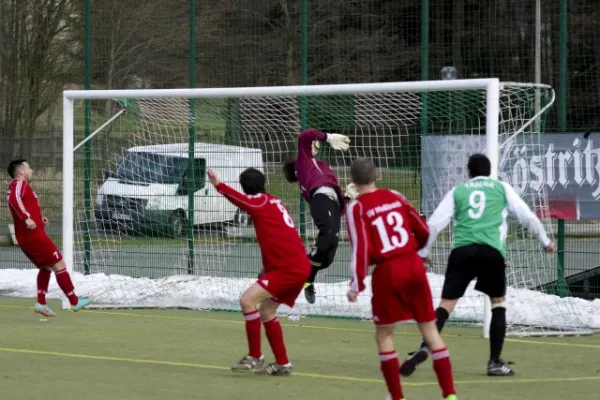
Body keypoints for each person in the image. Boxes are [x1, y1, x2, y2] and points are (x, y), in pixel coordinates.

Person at [400, 153, 555, 378]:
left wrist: (423, 252)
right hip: (491, 253)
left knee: (446, 304)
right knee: (498, 303)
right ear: (489, 172)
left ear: (468, 172)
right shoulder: (501, 188)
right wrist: (545, 241)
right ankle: (494, 362)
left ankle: (426, 345)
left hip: (462, 251)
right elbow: (527, 217)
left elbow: (434, 224)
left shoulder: (459, 191)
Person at [346, 158, 458, 400]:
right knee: (430, 330)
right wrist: (416, 251)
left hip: (388, 272)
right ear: (378, 176)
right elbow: (424, 229)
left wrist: (357, 283)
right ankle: (449, 394)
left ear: (353, 182)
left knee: (385, 334)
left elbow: (360, 248)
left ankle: (396, 396)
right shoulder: (396, 195)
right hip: (413, 265)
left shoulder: (356, 207)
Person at [208, 167, 311, 376]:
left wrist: (219, 185)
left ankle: (255, 356)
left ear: (244, 187)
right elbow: (279, 237)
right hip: (297, 266)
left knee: (247, 300)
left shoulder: (259, 203)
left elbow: (241, 201)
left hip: (288, 269)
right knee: (267, 310)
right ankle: (282, 363)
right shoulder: (273, 201)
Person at [6, 159, 94, 317]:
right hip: (33, 237)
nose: (31, 170)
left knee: (46, 267)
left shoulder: (19, 186)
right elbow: (14, 199)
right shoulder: (19, 184)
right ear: (21, 171)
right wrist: (26, 217)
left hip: (28, 237)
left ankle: (41, 302)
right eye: (29, 167)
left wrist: (39, 220)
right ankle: (74, 301)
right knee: (59, 264)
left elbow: (21, 204)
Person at [282, 128, 351, 304]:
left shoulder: (320, 166)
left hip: (332, 204)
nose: (315, 144)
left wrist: (348, 197)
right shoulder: (304, 163)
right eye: (314, 144)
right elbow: (306, 135)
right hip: (322, 200)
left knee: (327, 258)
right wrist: (328, 137)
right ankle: (295, 271)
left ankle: (307, 279)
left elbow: (339, 208)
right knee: (327, 236)